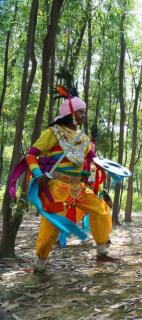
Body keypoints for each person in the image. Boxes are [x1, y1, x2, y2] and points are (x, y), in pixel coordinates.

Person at [9, 80, 115, 273]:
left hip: (78, 187)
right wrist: (38, 174)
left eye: (84, 112)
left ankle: (101, 252)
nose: (84, 116)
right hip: (57, 186)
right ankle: (39, 264)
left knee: (101, 210)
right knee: (52, 227)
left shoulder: (82, 137)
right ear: (70, 112)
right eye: (81, 112)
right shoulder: (52, 132)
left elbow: (93, 160)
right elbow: (31, 155)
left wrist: (98, 169)